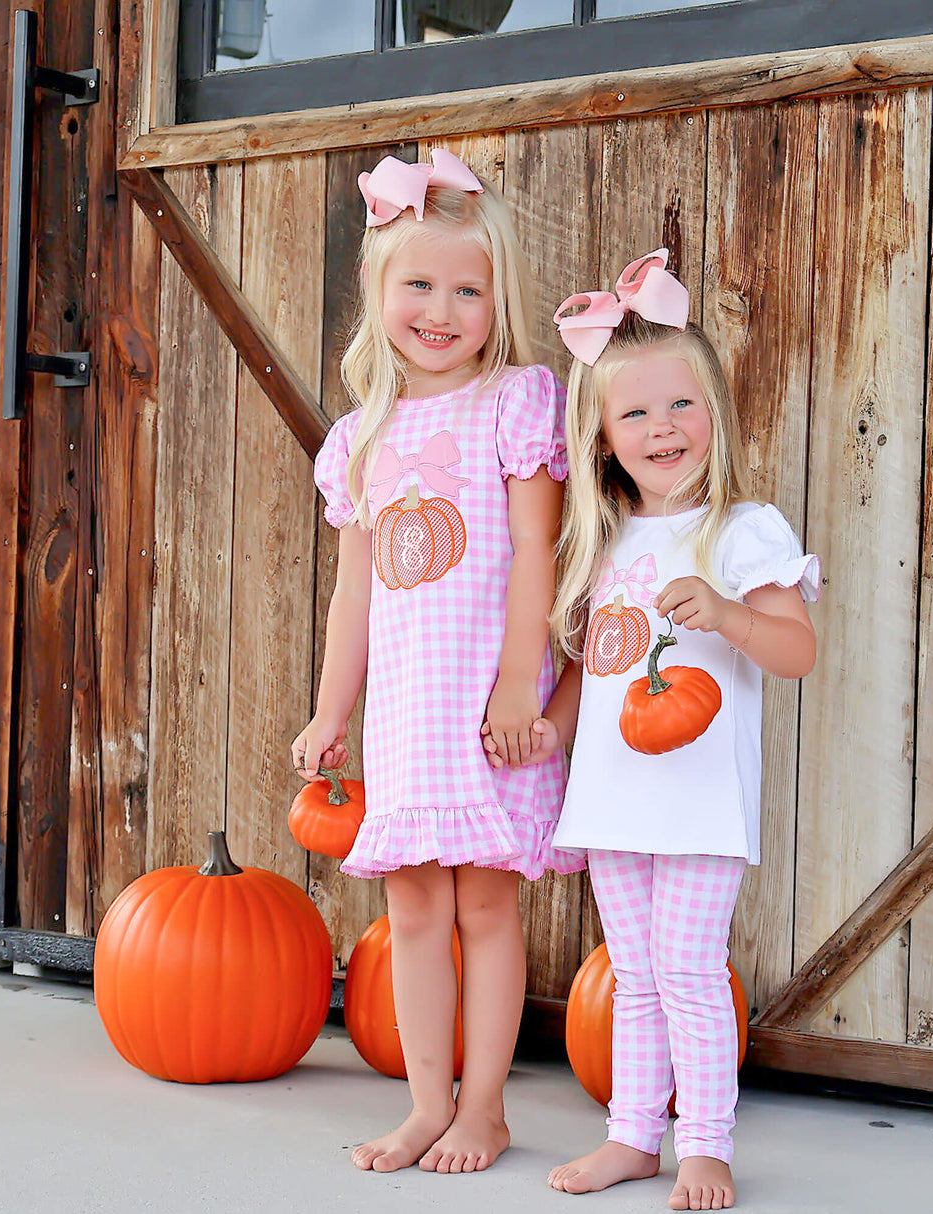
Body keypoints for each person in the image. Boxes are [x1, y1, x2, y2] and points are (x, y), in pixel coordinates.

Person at [486, 250, 818, 1210]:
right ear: (601, 438)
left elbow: (797, 651)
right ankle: (633, 1135)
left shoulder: (743, 529)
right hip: (614, 798)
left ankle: (705, 1143)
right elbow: (591, 667)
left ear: (715, 412)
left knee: (689, 969)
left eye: (681, 405)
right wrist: (552, 729)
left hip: (700, 804)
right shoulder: (601, 540)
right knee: (632, 972)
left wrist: (731, 614)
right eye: (634, 414)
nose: (661, 427)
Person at [291, 149, 579, 1176]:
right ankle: (425, 1104)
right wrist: (331, 710)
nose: (441, 310)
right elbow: (353, 595)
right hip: (408, 713)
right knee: (411, 909)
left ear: (498, 302)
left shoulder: (515, 402)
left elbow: (536, 553)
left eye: (468, 290)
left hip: (490, 704)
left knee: (486, 904)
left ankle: (484, 1108)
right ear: (379, 294)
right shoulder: (361, 438)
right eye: (418, 284)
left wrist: (516, 685)